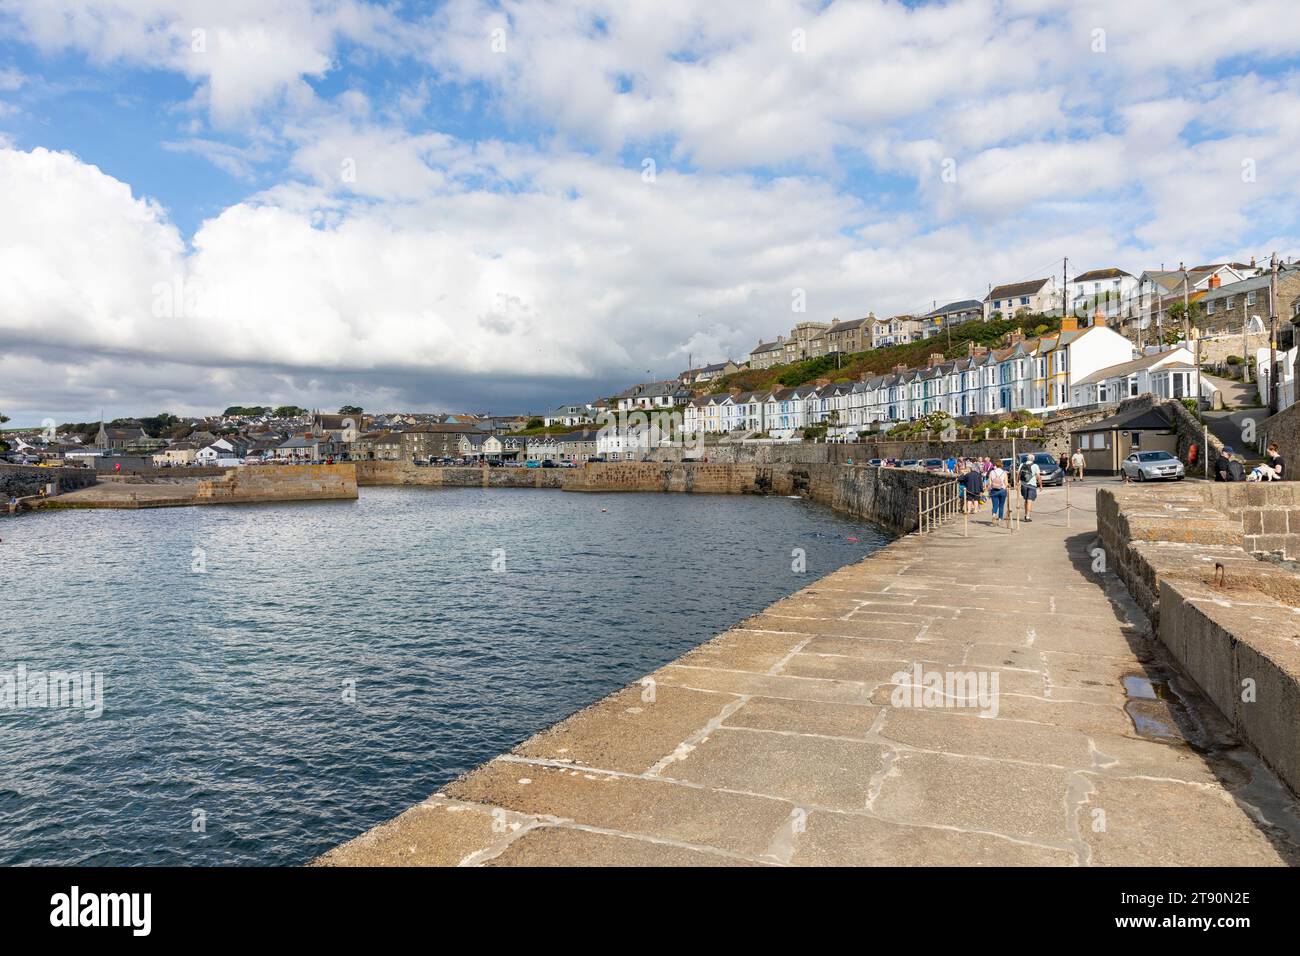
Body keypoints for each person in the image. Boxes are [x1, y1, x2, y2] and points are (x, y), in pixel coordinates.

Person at [1018, 454, 1040, 522]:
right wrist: (1041, 485)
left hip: (1023, 485)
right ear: (1033, 459)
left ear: (1027, 459)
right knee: (1029, 500)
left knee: (1026, 499)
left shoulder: (1022, 465)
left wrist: (1017, 482)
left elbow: (1018, 474)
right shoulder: (1035, 465)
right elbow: (1038, 476)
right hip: (1032, 485)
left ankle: (1025, 514)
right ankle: (1027, 516)